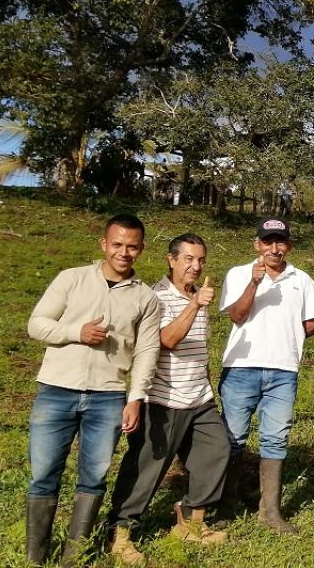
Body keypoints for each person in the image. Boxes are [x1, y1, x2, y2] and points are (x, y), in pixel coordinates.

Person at [24, 214, 161, 564]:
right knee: (43, 475)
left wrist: (135, 398)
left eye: (132, 246)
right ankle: (35, 557)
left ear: (141, 249)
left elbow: (146, 351)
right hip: (57, 389)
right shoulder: (71, 279)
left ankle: (75, 555)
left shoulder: (146, 298)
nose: (124, 252)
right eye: (117, 244)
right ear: (104, 244)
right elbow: (37, 324)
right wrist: (76, 332)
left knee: (94, 477)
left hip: (108, 396)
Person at [106, 234, 230, 565]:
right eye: (188, 259)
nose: (195, 266)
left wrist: (205, 383)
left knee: (217, 451)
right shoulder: (156, 297)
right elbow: (168, 341)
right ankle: (119, 533)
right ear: (171, 260)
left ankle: (190, 522)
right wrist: (195, 305)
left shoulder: (196, 294)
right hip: (164, 399)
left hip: (199, 398)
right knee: (146, 469)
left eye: (201, 259)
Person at [218, 217, 314, 534]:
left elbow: (311, 325)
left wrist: (284, 338)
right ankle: (226, 505)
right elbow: (237, 316)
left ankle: (270, 511)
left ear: (288, 246)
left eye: (280, 242)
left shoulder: (301, 279)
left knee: (276, 439)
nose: (274, 248)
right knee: (233, 438)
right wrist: (255, 283)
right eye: (268, 242)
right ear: (257, 245)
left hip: (283, 371)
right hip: (241, 368)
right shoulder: (239, 274)